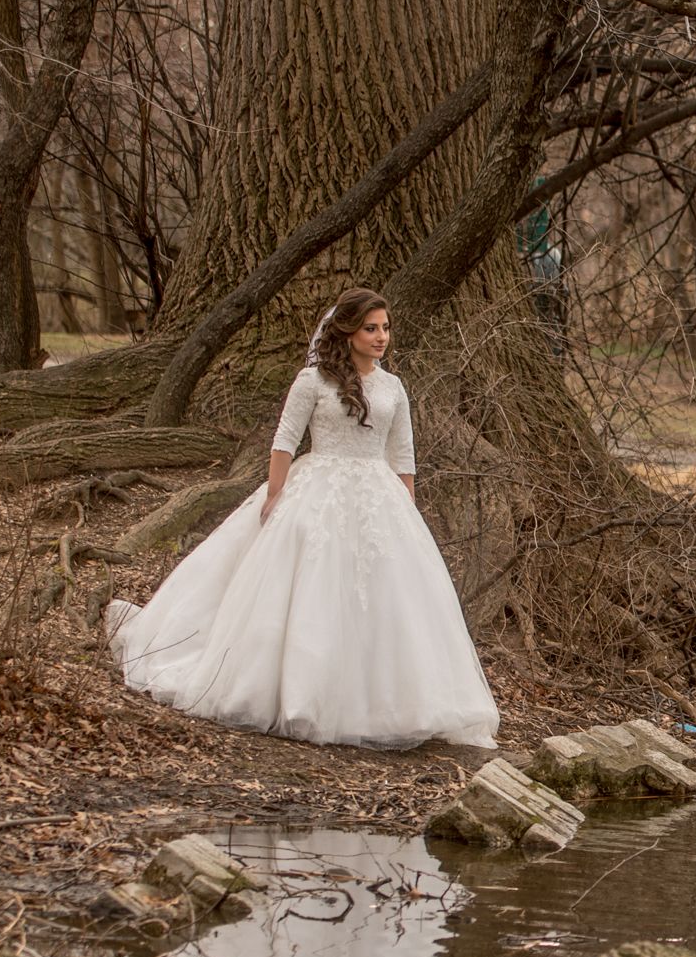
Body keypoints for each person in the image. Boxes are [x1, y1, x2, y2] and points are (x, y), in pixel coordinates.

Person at [104, 288, 501, 748]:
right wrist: (275, 495)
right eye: (371, 328)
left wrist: (407, 507)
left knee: (385, 597)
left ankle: (384, 702)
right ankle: (295, 694)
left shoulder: (393, 387)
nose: (381, 337)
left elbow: (403, 453)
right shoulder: (313, 381)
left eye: (385, 328)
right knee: (310, 582)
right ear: (347, 331)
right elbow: (285, 440)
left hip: (379, 497)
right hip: (318, 487)